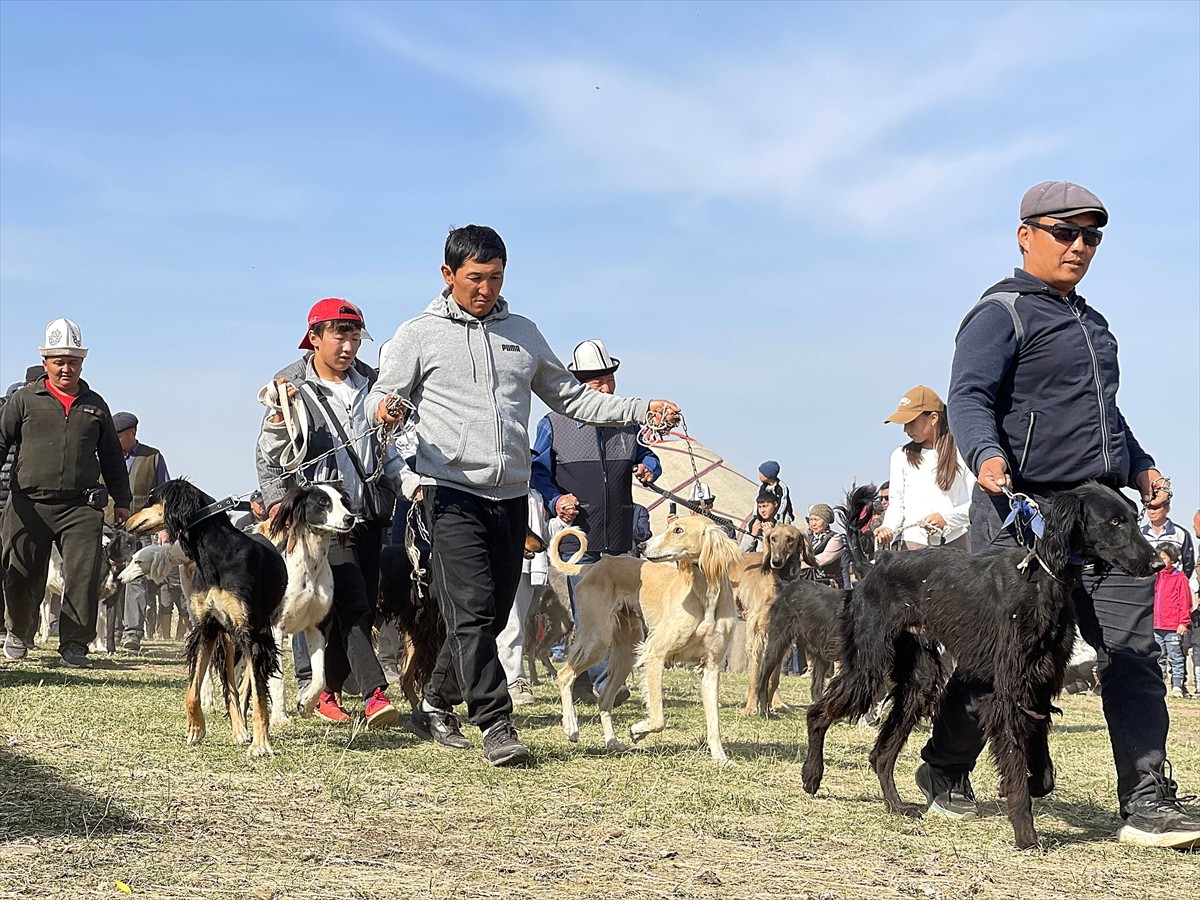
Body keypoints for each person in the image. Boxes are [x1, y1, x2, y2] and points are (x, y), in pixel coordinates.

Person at [929, 180, 1198, 848]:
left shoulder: (1094, 324)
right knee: (1000, 663)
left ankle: (1148, 801)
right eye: (1065, 232)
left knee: (1132, 654)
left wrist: (1140, 465)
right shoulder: (1000, 314)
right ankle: (944, 768)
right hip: (1024, 518)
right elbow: (966, 397)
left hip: (1103, 523)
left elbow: (1107, 417)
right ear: (1026, 236)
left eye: (1092, 237)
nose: (1080, 247)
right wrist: (986, 454)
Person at [369, 224, 681, 766]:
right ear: (448, 276)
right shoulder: (418, 334)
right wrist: (385, 408)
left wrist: (639, 408)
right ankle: (495, 722)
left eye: (494, 278)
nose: (484, 289)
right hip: (450, 491)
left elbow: (573, 399)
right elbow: (384, 393)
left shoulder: (523, 333)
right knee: (470, 608)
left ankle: (436, 700)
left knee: (487, 615)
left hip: (510, 496)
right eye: (473, 278)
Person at [256, 298, 400, 730]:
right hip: (318, 519)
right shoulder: (288, 384)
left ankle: (327, 692)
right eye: (339, 334)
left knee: (356, 605)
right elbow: (267, 453)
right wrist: (280, 502)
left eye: (355, 336)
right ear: (314, 337)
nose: (348, 345)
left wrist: (405, 480)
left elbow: (387, 444)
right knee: (345, 600)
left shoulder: (373, 383)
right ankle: (372, 693)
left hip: (366, 510)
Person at [531, 338, 662, 701]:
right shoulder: (554, 424)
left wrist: (647, 468)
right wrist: (557, 500)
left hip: (619, 535)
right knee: (591, 614)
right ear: (578, 386)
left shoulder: (626, 423)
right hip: (579, 538)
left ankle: (594, 680)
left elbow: (650, 457)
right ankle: (602, 682)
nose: (606, 388)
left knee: (619, 617)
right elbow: (537, 471)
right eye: (596, 382)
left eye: (609, 379)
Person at [0, 319, 132, 668]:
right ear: (46, 363)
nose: (66, 367)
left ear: (82, 363)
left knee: (84, 575)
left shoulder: (95, 404)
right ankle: (19, 633)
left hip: (80, 506)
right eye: (59, 360)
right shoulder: (24, 400)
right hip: (29, 503)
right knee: (21, 572)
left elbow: (113, 458)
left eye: (72, 361)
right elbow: (1, 442)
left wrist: (123, 500)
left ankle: (74, 644)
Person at [874, 386, 974, 551]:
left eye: (911, 422)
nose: (905, 429)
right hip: (913, 546)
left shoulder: (961, 451)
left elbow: (976, 503)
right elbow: (897, 504)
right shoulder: (900, 455)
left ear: (933, 418)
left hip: (955, 545)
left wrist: (946, 518)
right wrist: (888, 528)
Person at [107, 411, 172, 652]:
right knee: (109, 579)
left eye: (119, 436)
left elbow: (165, 495)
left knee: (135, 578)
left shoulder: (152, 457)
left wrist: (165, 529)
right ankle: (110, 632)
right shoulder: (102, 456)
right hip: (108, 528)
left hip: (140, 530)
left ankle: (132, 634)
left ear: (132, 434)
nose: (114, 440)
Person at [497, 488, 549, 707]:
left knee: (518, 623)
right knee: (512, 624)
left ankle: (512, 678)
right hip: (502, 555)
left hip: (529, 563)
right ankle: (513, 680)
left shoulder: (537, 484)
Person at [1153, 543, 1192, 699]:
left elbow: (1185, 602)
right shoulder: (1155, 577)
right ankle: (1160, 684)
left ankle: (1177, 686)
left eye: (1164, 558)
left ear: (1173, 559)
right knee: (1158, 656)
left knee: (1175, 657)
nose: (1161, 562)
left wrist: (1183, 622)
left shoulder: (1180, 578)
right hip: (1156, 625)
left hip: (1173, 626)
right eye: (1159, 558)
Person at [1141, 499, 1195, 578]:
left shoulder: (1180, 533)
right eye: (1149, 508)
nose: (1152, 512)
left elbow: (1188, 563)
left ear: (1167, 509)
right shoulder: (1140, 533)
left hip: (1172, 583)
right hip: (1146, 583)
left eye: (1156, 508)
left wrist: (1179, 581)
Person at [667, 481, 737, 540]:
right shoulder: (684, 528)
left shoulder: (726, 525)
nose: (701, 507)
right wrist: (673, 528)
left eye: (706, 503)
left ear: (711, 506)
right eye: (696, 505)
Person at [806, 503, 844, 587]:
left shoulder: (835, 538)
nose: (813, 523)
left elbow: (825, 557)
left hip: (829, 585)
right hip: (810, 582)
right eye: (811, 519)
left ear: (826, 521)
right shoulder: (808, 538)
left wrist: (804, 563)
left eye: (816, 519)